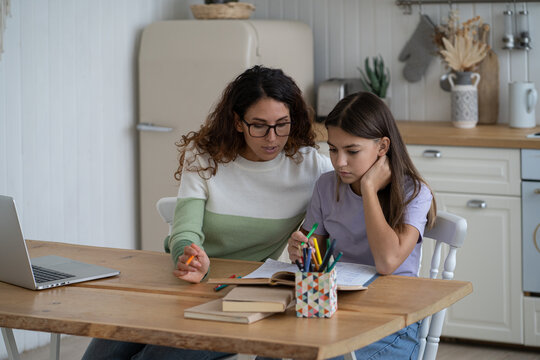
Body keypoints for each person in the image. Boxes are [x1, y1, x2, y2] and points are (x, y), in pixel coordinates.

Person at [82, 65, 332, 360]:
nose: (272, 137)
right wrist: (187, 257)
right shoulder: (206, 157)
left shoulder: (312, 167)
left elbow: (349, 206)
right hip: (183, 281)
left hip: (241, 294)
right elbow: (185, 230)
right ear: (238, 122)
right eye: (259, 125)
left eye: (282, 123)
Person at [287, 91, 436, 360]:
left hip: (394, 321)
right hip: (339, 311)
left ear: (382, 147)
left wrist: (368, 188)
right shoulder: (326, 186)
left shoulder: (414, 192)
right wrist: (301, 251)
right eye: (333, 149)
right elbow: (316, 261)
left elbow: (387, 262)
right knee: (276, 350)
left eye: (352, 151)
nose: (339, 162)